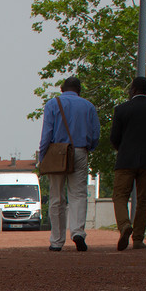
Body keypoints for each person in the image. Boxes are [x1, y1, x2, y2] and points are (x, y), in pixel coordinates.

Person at [38, 77, 100, 252]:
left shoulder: (52, 104)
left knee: (56, 196)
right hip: (79, 150)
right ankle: (78, 232)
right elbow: (95, 134)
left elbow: (47, 133)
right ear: (79, 90)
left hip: (56, 151)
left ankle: (57, 241)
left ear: (62, 89)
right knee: (78, 194)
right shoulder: (88, 106)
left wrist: (43, 156)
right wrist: (88, 148)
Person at [109, 76, 146, 251]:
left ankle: (125, 225)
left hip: (125, 160)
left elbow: (114, 139)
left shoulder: (121, 110)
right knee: (144, 200)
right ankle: (139, 239)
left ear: (133, 90)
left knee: (119, 196)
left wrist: (124, 148)